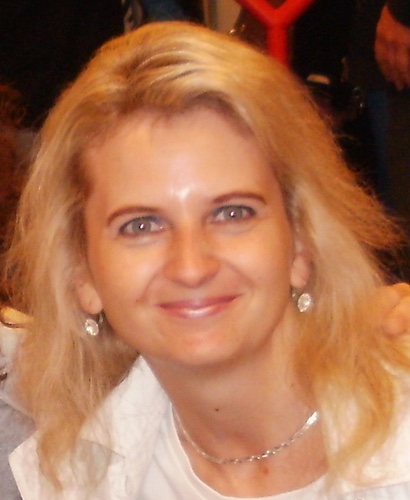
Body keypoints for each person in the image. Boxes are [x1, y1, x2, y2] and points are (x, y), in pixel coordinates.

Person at [3, 21, 410, 498]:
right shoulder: (71, 479)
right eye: (141, 225)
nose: (191, 266)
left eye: (232, 213)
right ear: (82, 272)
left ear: (301, 241)